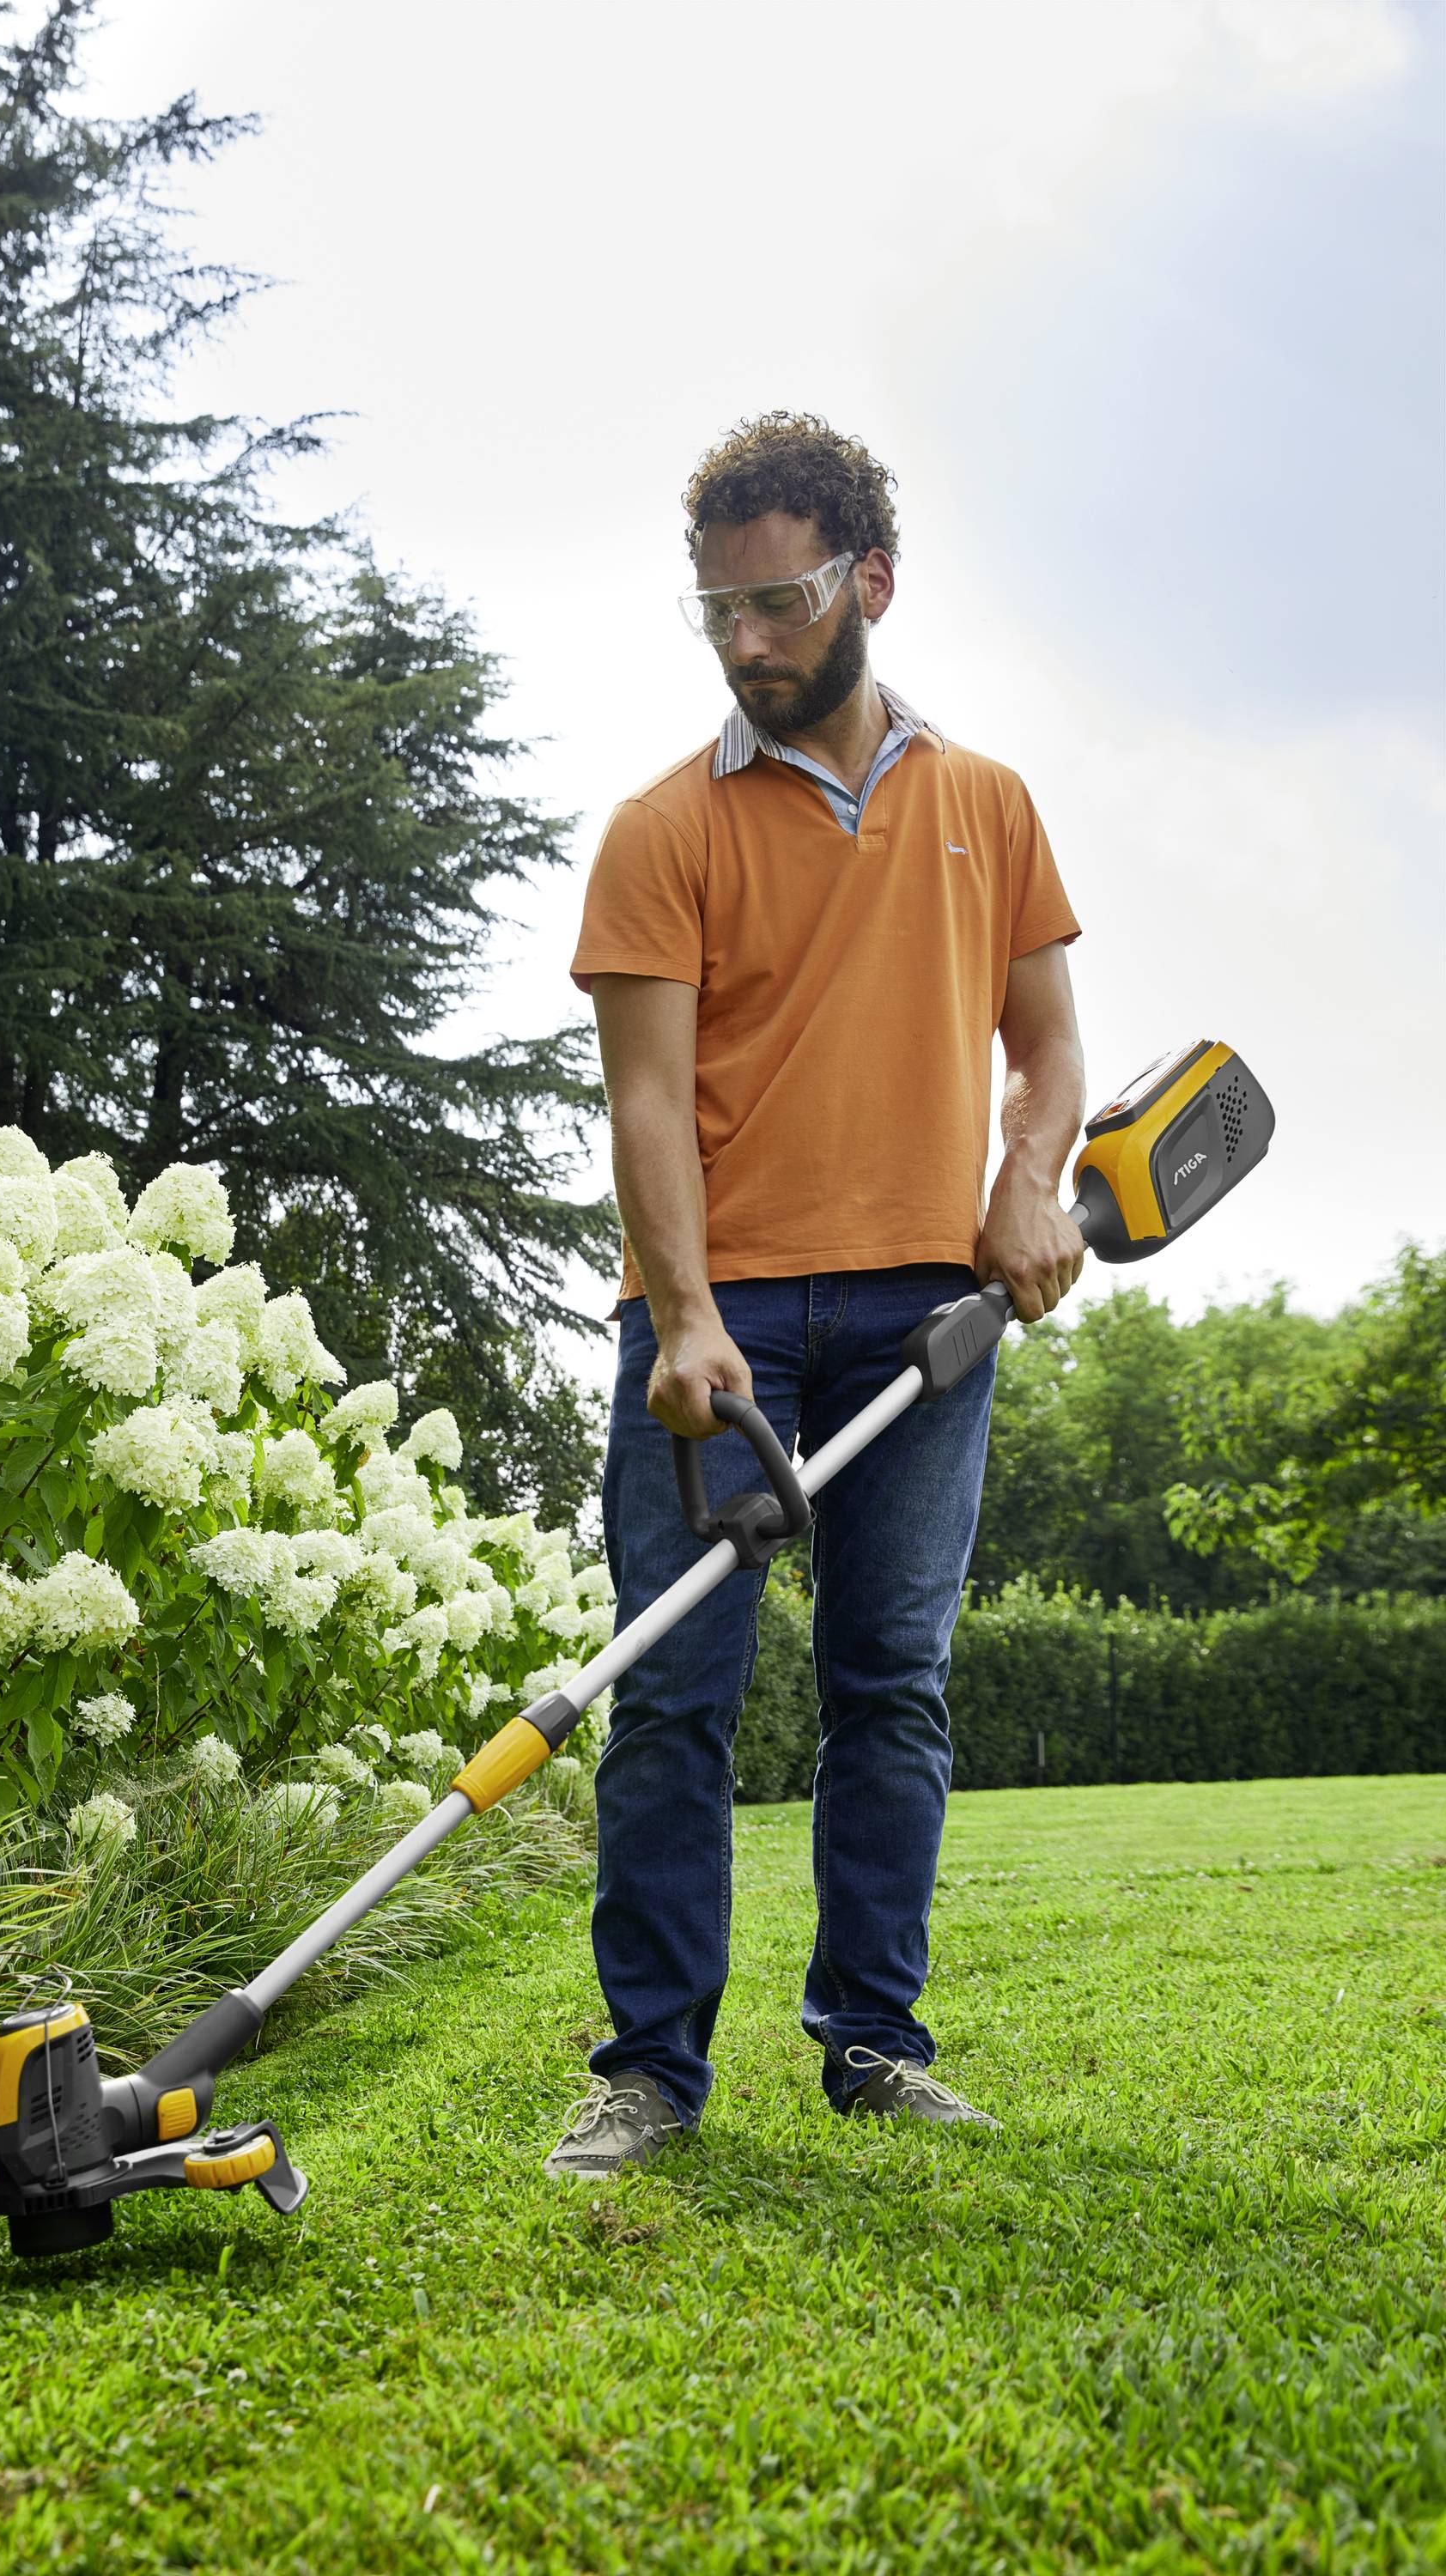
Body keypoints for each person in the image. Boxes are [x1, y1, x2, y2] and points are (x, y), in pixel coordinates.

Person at [546, 412, 1085, 2180]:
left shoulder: (986, 806)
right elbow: (642, 1100)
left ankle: (872, 2041)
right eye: (718, 614)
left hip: (927, 1311)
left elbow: (1049, 1048)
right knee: (678, 1696)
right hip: (721, 1324)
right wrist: (685, 1311)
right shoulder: (658, 829)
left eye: (776, 604)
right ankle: (648, 2072)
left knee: (892, 1684)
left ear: (869, 581)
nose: (746, 642)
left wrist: (1021, 1186)